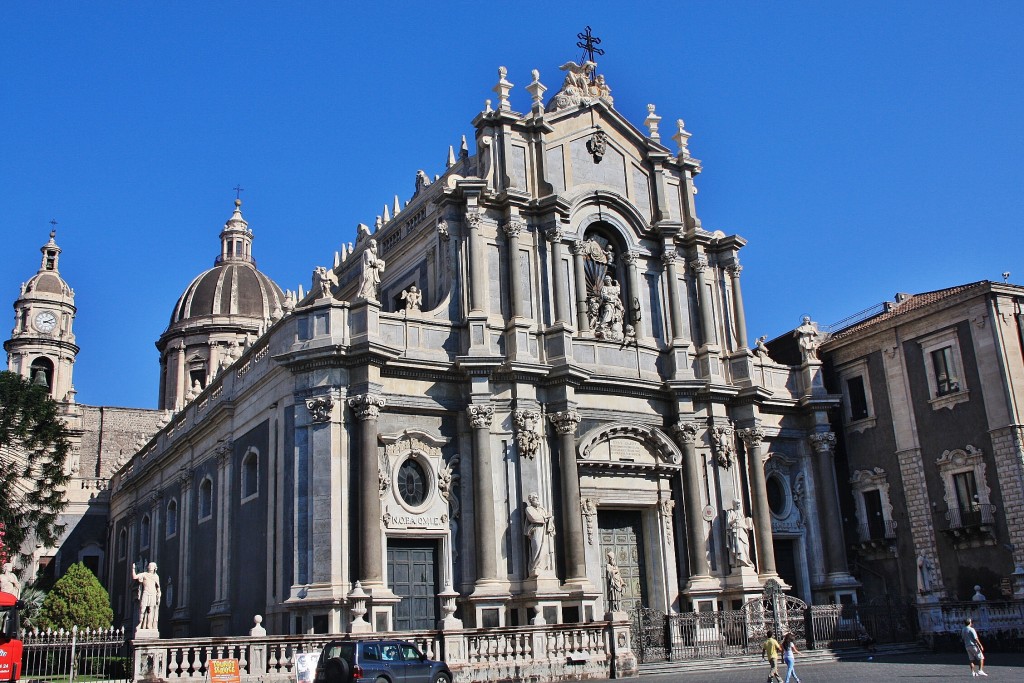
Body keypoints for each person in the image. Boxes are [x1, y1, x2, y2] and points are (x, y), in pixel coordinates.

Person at [523, 494, 555, 576]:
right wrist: (546, 517)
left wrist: (550, 518)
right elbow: (534, 518)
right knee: (536, 547)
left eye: (537, 498)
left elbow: (548, 518)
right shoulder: (529, 509)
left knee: (545, 549)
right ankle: (535, 567)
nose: (537, 499)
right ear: (531, 500)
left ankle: (542, 567)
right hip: (536, 530)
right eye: (535, 498)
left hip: (544, 531)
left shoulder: (542, 509)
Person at [131, 561, 161, 631]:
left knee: (150, 610)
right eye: (149, 566)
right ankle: (140, 623)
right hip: (146, 593)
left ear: (154, 568)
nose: (150, 567)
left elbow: (158, 588)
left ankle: (149, 625)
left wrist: (159, 595)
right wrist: (133, 569)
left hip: (153, 594)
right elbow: (135, 577)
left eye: (151, 566)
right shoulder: (144, 574)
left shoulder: (156, 577)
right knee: (142, 609)